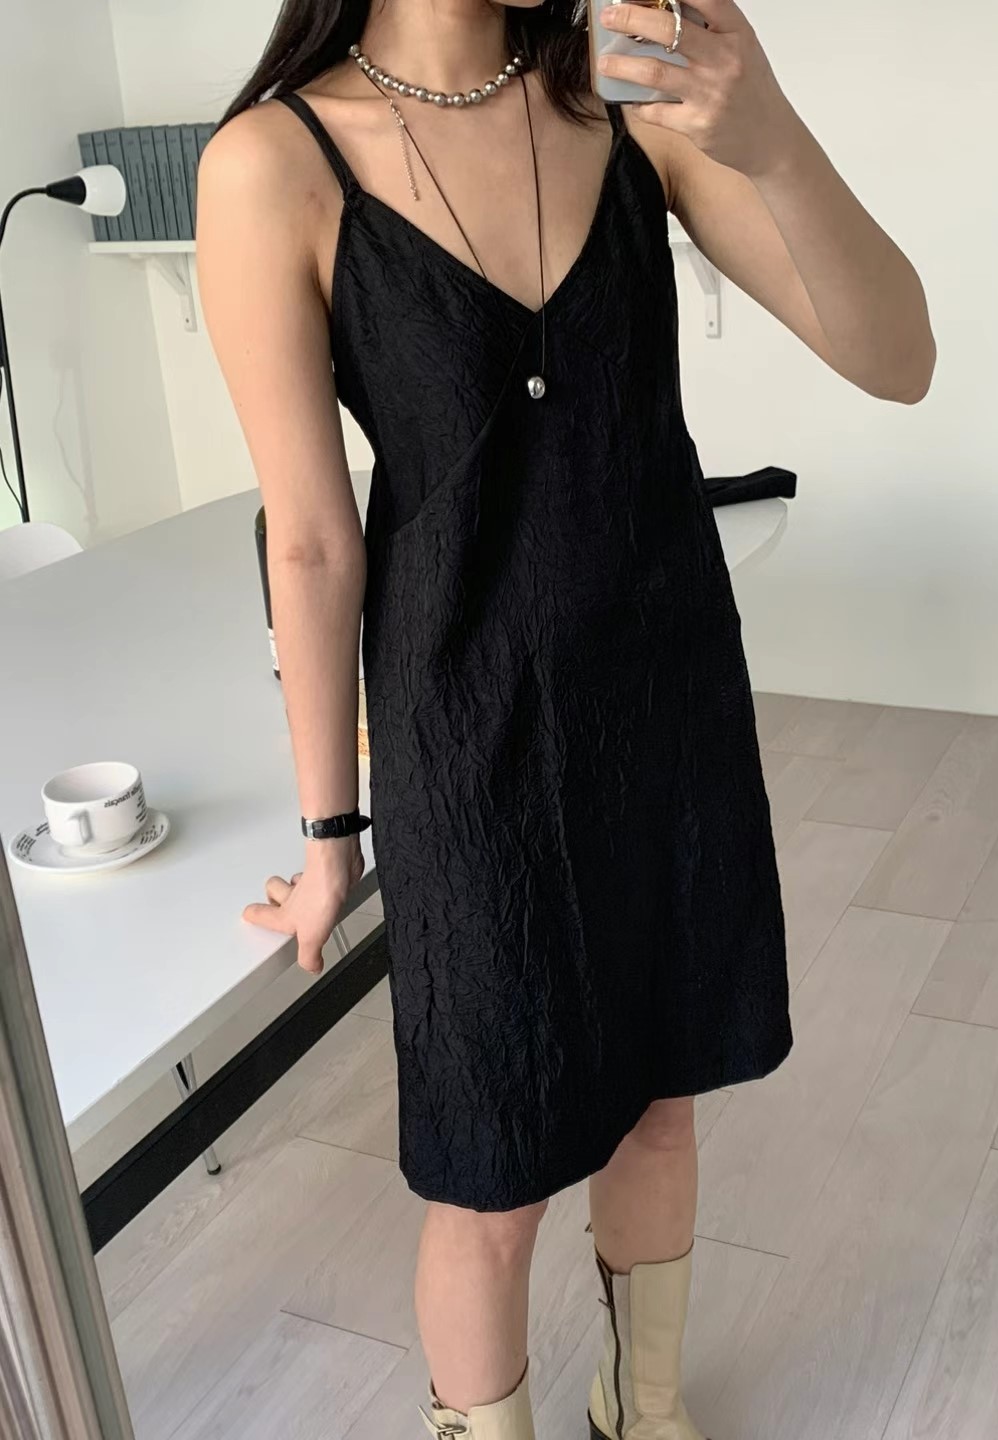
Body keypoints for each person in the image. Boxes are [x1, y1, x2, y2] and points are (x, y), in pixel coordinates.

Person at [198, 0, 935, 1431]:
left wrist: (773, 136)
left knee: (662, 1099)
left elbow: (899, 357)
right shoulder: (272, 164)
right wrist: (333, 835)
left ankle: (641, 1413)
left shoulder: (629, 102)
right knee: (493, 1170)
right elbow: (313, 539)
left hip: (664, 697)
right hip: (464, 735)